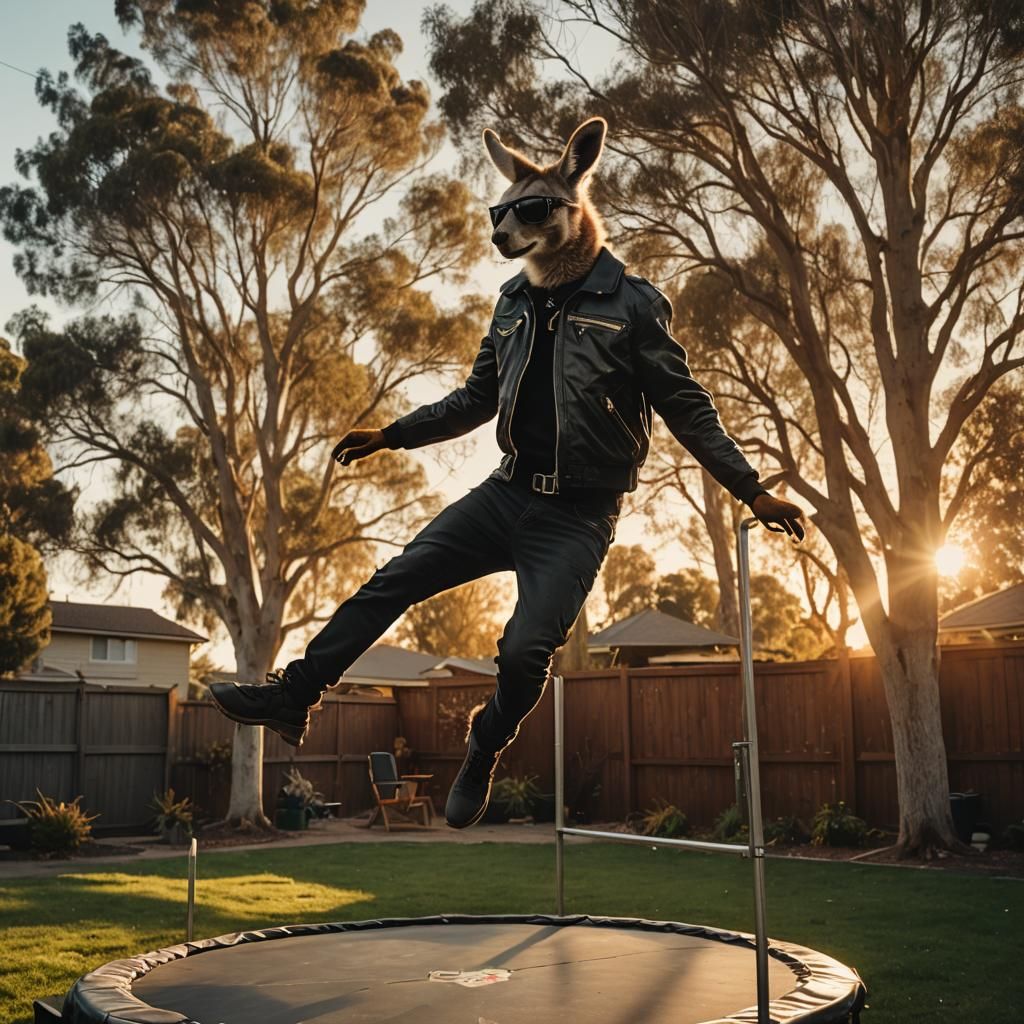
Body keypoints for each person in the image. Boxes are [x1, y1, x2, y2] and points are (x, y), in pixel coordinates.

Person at [210, 116, 805, 829]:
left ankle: (484, 746)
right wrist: (394, 434)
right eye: (501, 215)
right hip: (507, 492)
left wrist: (751, 487)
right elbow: (475, 398)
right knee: (395, 578)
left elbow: (687, 408)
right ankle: (295, 694)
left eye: (530, 212)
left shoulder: (633, 304)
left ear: (571, 206)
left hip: (579, 517)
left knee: (525, 651)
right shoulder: (514, 302)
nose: (506, 229)